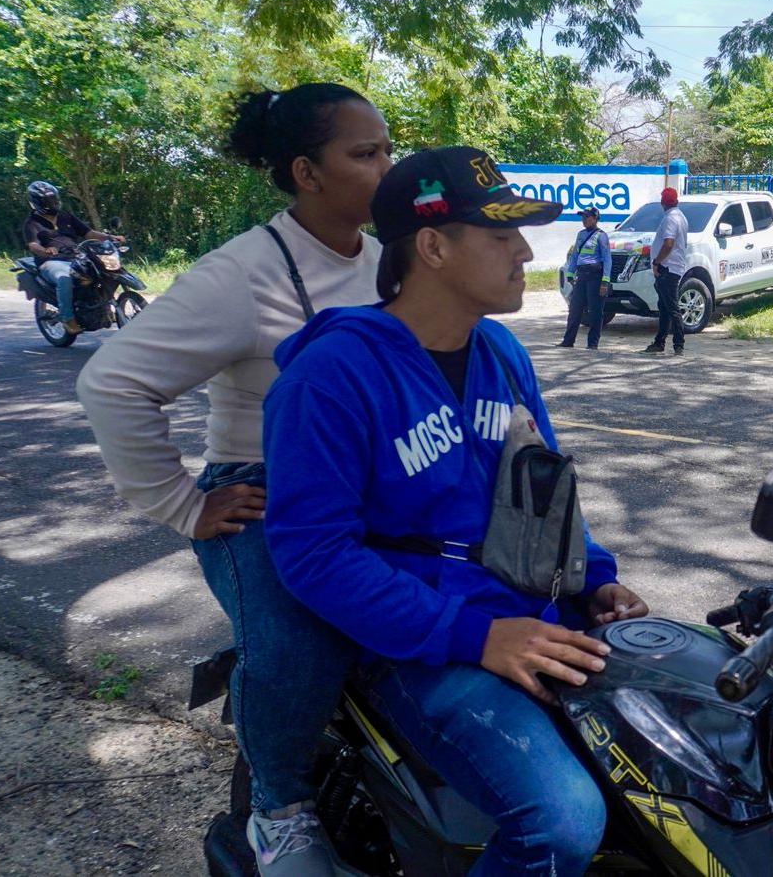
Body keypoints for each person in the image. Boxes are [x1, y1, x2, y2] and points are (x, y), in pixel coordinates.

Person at [261, 146, 649, 875]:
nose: (525, 252)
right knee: (561, 822)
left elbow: (544, 488)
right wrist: (473, 636)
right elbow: (314, 554)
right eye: (501, 236)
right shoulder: (331, 376)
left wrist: (594, 578)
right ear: (433, 246)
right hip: (416, 647)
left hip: (532, 615)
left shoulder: (500, 350)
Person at [77, 83, 394, 876]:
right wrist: (181, 503)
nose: (388, 167)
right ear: (306, 172)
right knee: (298, 649)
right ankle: (278, 811)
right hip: (265, 486)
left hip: (377, 480)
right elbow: (112, 382)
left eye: (388, 148)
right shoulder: (243, 274)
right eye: (366, 154)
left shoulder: (388, 258)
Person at [23, 181, 122, 333]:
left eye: (53, 199)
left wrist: (111, 237)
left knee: (102, 271)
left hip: (76, 257)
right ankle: (67, 318)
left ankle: (105, 306)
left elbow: (89, 233)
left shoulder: (65, 216)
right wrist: (45, 250)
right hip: (51, 262)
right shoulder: (32, 223)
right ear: (37, 203)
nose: (52, 203)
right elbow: (33, 245)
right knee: (65, 278)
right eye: (47, 201)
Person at [641, 186, 689, 355]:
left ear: (663, 203)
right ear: (676, 201)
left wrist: (656, 261)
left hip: (667, 268)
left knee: (671, 307)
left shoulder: (670, 219)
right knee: (665, 308)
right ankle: (660, 342)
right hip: (674, 267)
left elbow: (668, 244)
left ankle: (678, 344)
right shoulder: (681, 217)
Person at [558, 206, 612, 349]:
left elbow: (607, 259)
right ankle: (568, 341)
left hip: (595, 276)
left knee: (595, 311)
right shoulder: (581, 234)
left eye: (587, 217)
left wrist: (605, 281)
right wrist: (570, 274)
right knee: (575, 310)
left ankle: (592, 344)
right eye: (583, 217)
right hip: (581, 276)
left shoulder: (601, 236)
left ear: (595, 219)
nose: (584, 220)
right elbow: (575, 255)